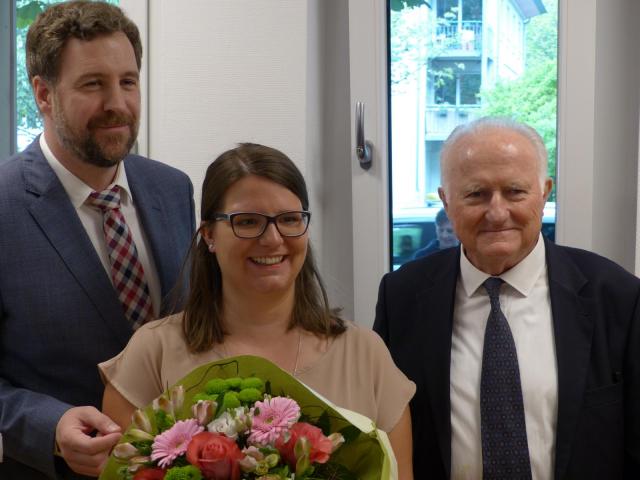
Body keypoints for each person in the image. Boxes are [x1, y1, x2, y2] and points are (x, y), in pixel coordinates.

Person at [100, 143, 416, 478]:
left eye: (289, 219)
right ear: (209, 234)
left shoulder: (365, 355)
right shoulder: (153, 352)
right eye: (248, 222)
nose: (272, 239)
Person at [374, 117, 640, 478]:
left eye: (515, 191)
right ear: (446, 201)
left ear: (544, 193)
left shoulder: (617, 296)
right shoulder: (401, 297)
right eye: (475, 194)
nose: (497, 213)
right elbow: (384, 435)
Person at [0, 2, 195, 478]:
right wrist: (49, 426)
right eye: (93, 84)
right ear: (43, 94)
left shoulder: (173, 189)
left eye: (128, 81)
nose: (117, 104)